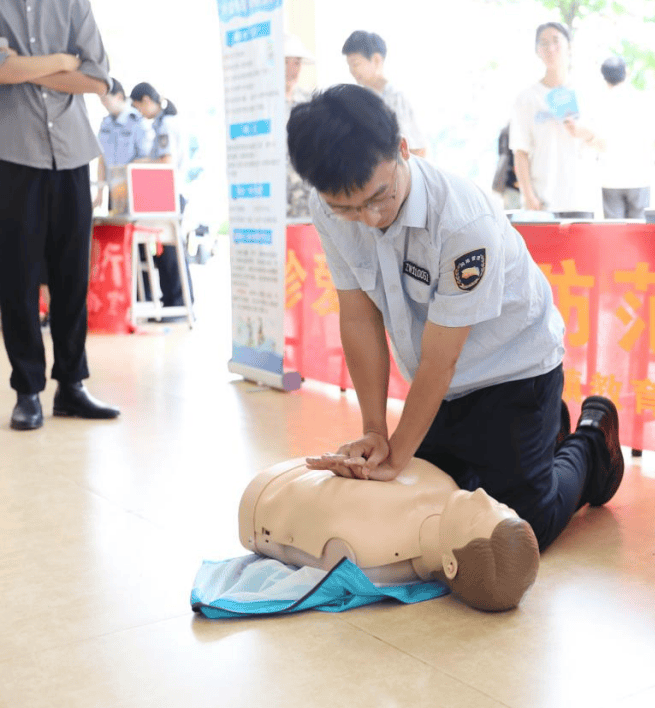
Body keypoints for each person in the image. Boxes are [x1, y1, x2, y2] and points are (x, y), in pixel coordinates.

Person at [286, 84, 624, 552]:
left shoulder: (462, 222)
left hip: (513, 370)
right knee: (434, 506)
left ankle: (590, 441)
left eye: (378, 197)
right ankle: (546, 437)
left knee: (519, 526)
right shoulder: (329, 208)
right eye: (347, 208)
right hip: (442, 383)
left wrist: (396, 455)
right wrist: (374, 432)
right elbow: (359, 317)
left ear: (402, 150)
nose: (367, 218)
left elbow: (443, 358)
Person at [0, 0, 121, 431]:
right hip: (13, 156)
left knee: (72, 277)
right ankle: (27, 390)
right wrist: (62, 61)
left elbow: (97, 81)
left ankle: (71, 386)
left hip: (72, 155)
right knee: (18, 279)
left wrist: (23, 69)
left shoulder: (74, 4)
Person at [239, 456, 541, 611]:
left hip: (264, 495)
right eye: (498, 504)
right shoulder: (447, 489)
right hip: (289, 478)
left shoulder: (367, 553)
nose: (482, 494)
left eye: (478, 514)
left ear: (451, 565)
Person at [509, 21, 599, 214]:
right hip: (542, 202)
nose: (550, 48)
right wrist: (529, 197)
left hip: (581, 200)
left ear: (569, 47)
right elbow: (520, 152)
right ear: (536, 51)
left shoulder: (587, 93)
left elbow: (606, 144)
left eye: (556, 41)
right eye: (543, 43)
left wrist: (586, 133)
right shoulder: (526, 99)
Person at [129, 81, 193, 314]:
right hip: (166, 194)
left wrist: (139, 163)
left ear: (147, 101)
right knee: (166, 250)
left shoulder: (166, 124)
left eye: (138, 107)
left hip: (170, 194)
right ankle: (172, 301)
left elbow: (167, 161)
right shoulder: (162, 123)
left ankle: (177, 302)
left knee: (171, 250)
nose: (139, 113)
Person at [341, 30, 426, 158]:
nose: (352, 71)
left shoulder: (398, 98)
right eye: (349, 65)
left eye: (355, 64)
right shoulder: (356, 100)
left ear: (376, 60)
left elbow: (418, 148)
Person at [593, 55, 655, 219]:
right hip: (639, 175)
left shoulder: (599, 103)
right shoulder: (643, 99)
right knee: (638, 234)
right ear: (626, 73)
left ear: (604, 77)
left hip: (610, 177)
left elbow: (596, 141)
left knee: (616, 234)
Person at [95, 79, 151, 214]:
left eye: (105, 99)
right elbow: (102, 159)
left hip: (134, 191)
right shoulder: (105, 124)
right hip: (113, 191)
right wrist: (100, 191)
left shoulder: (137, 122)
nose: (103, 104)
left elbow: (147, 158)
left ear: (119, 97)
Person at [284, 33, 315, 220]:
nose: (291, 70)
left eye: (297, 63)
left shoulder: (309, 102)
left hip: (305, 194)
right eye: (286, 62)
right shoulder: (264, 104)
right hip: (275, 197)